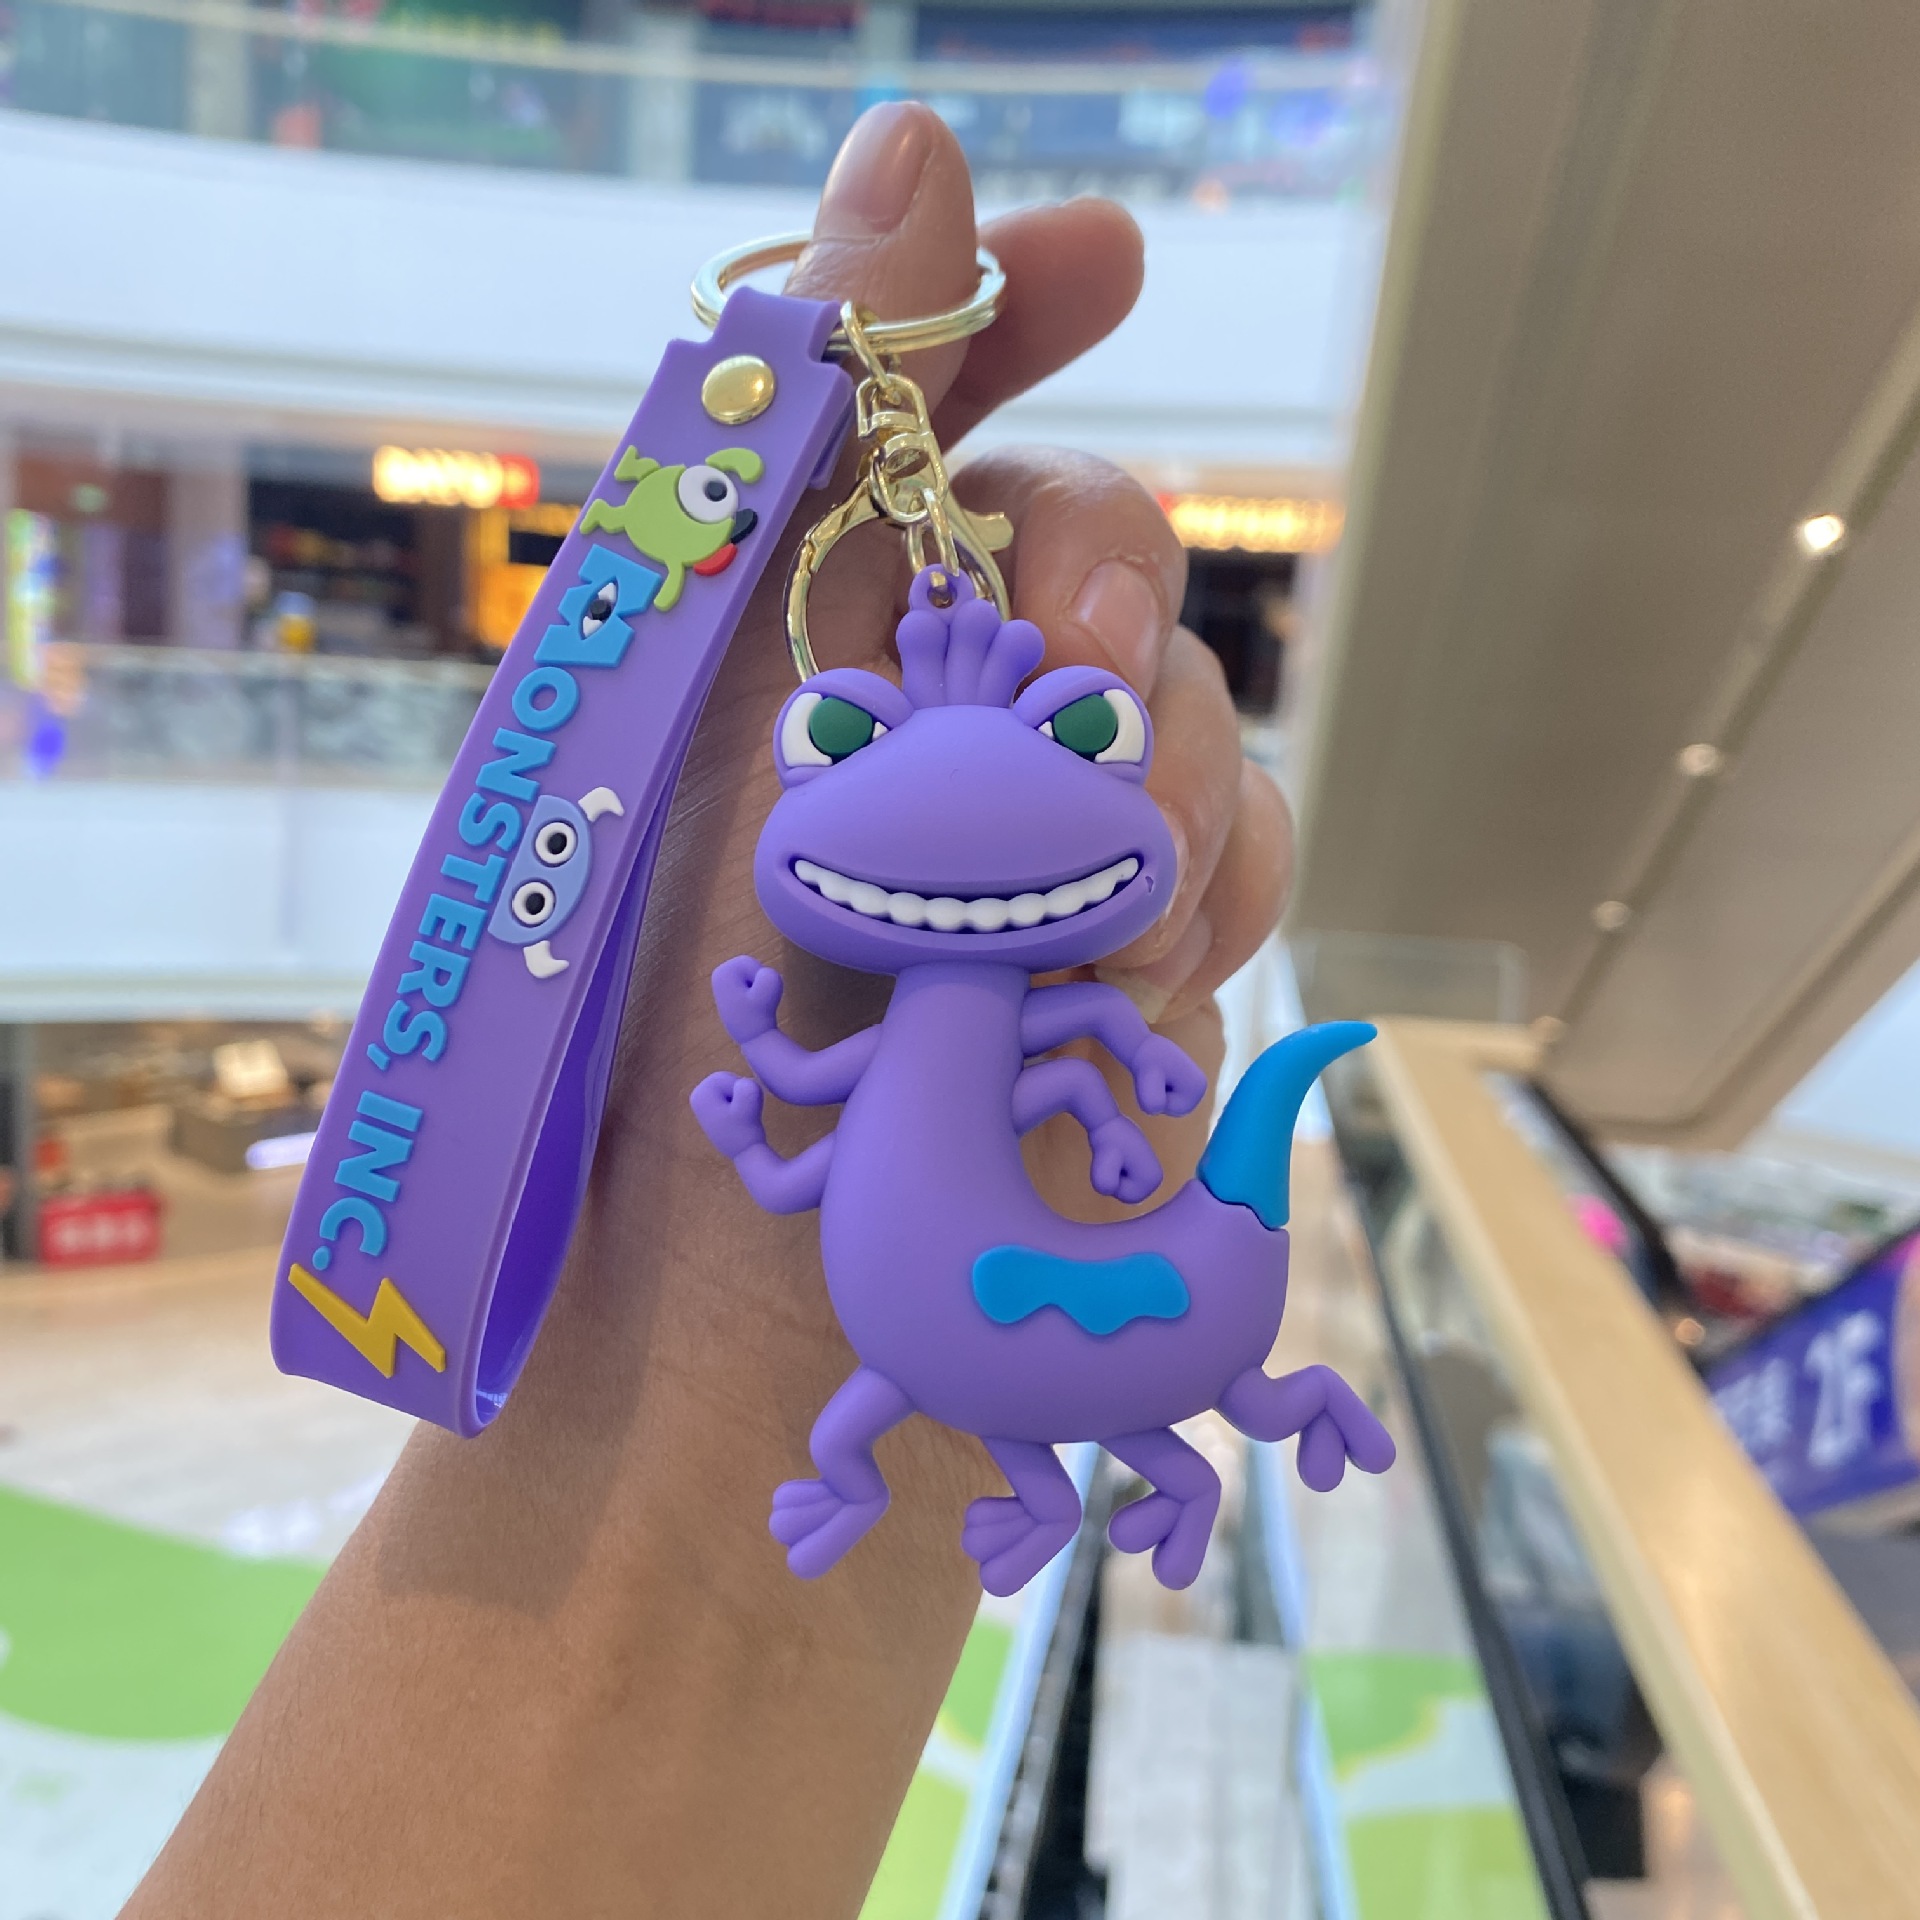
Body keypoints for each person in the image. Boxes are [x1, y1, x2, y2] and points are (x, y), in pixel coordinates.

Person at [123, 102, 1292, 1919]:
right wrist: (745, 1149)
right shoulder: (896, 930)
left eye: (1085, 732)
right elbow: (833, 1088)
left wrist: (1076, 1072)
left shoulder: (1017, 982)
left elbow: (929, 1083)